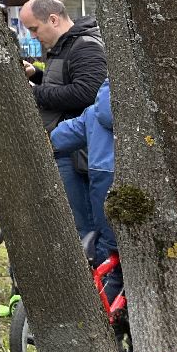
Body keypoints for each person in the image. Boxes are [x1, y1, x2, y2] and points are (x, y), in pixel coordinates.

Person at [19, 0, 107, 231]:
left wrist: (34, 93)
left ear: (53, 19)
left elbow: (89, 93)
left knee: (84, 226)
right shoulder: (65, 45)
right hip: (68, 148)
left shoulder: (85, 46)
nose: (33, 36)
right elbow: (64, 80)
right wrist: (36, 74)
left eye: (34, 29)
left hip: (79, 153)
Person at [51, 80, 119, 301]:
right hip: (138, 203)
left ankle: (108, 317)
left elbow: (59, 138)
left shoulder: (93, 113)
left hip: (104, 206)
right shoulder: (147, 114)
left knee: (113, 263)